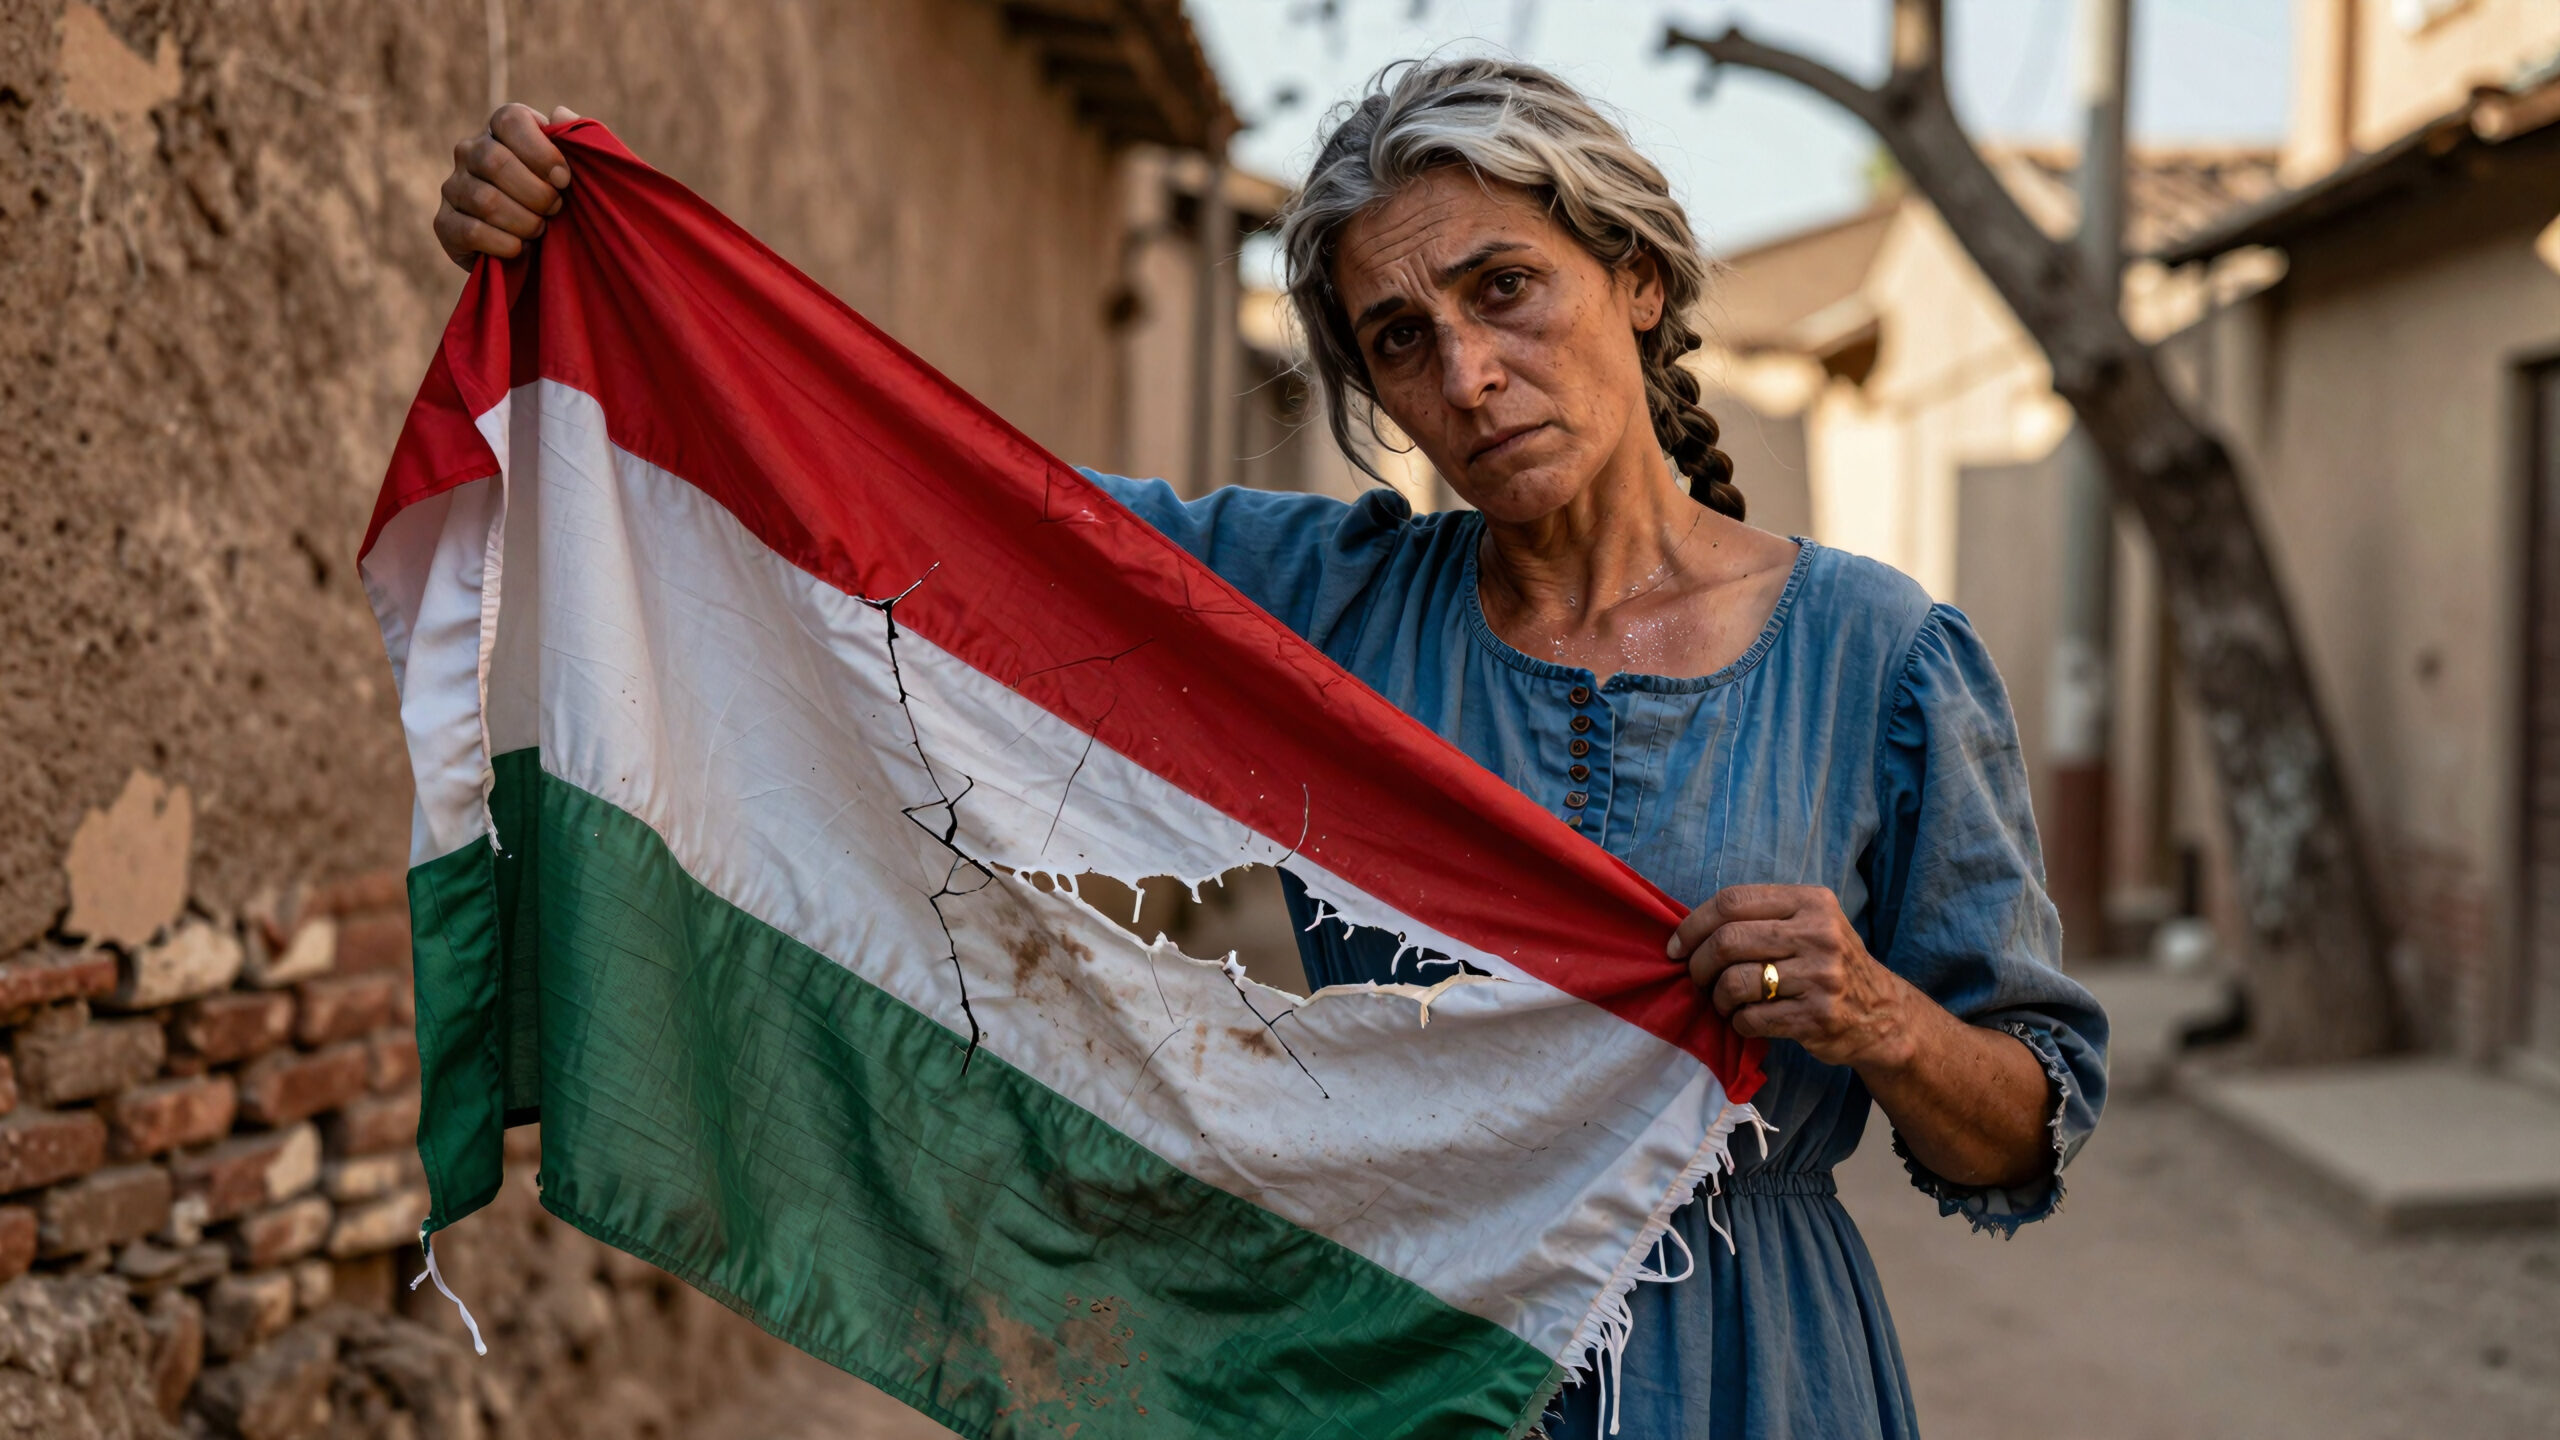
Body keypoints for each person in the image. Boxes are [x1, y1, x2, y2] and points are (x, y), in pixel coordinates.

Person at [434, 59, 2106, 1440]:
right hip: (1373, 1356)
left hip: (1746, 1373)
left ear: (1640, 281)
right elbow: (934, 511)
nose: (1469, 373)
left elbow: (2025, 1127)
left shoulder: (1878, 658)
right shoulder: (1313, 607)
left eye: (1505, 288)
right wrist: (605, 261)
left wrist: (1879, 1016)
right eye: (1400, 339)